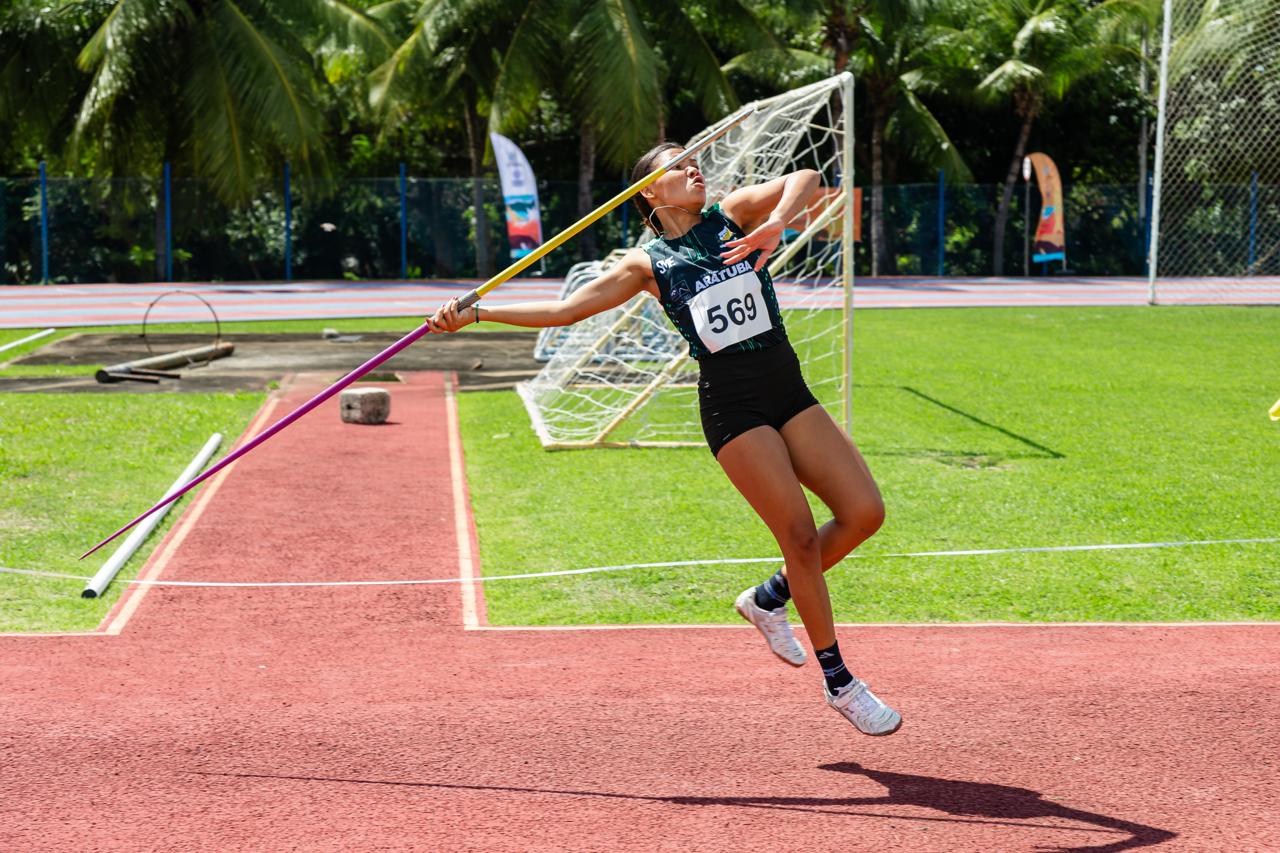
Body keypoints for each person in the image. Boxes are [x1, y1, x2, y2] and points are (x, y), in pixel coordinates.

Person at [427, 143, 900, 736]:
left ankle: (768, 598)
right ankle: (840, 683)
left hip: (789, 390)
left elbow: (806, 176)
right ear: (649, 192)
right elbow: (567, 310)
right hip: (734, 410)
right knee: (801, 538)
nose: (694, 168)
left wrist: (776, 224)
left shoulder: (733, 214)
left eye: (695, 159)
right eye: (678, 165)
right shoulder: (646, 264)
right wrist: (476, 314)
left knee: (864, 513)